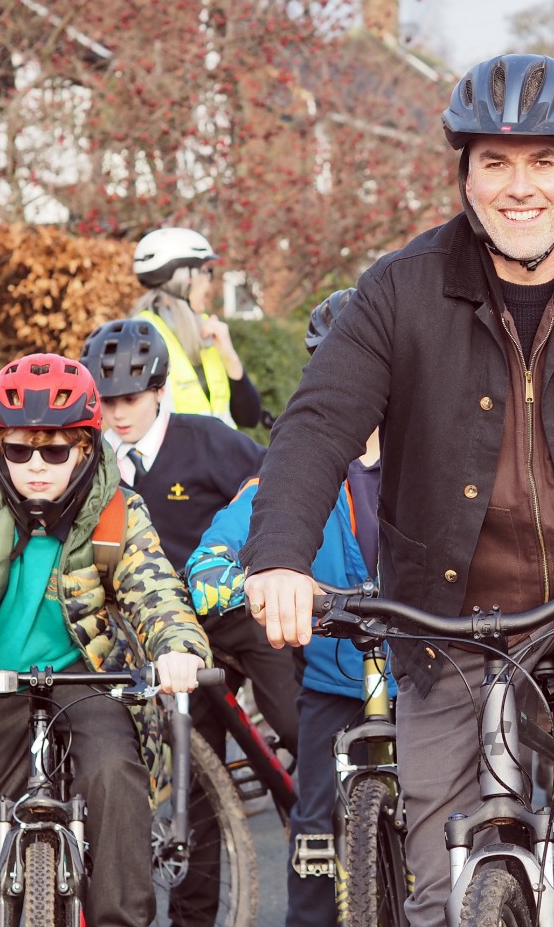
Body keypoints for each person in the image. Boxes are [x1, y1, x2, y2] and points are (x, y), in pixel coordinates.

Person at [237, 53, 554, 927]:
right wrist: (281, 557)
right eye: (497, 163)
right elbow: (318, 424)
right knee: (437, 895)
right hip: (451, 614)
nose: (521, 187)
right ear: (466, 175)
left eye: (543, 161)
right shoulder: (398, 291)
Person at [0, 353, 210, 927]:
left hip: (88, 678)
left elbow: (156, 591)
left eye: (55, 450)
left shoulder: (115, 509)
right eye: (19, 450)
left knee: (114, 778)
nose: (37, 466)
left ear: (86, 448)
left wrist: (177, 649)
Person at [185, 287, 393, 927]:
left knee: (458, 826)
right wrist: (243, 581)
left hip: (434, 676)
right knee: (315, 840)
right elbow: (211, 558)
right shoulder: (294, 465)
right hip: (334, 681)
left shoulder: (437, 458)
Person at [78, 319, 293, 924]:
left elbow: (277, 489)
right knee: (193, 779)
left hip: (238, 616)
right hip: (171, 640)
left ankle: (329, 821)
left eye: (130, 400)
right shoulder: (94, 462)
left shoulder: (210, 441)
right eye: (108, 401)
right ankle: (193, 920)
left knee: (295, 724)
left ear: (158, 391)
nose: (119, 414)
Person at [131, 226, 264, 428]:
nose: (209, 283)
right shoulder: (140, 335)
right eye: (207, 272)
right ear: (186, 278)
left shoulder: (208, 329)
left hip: (221, 454)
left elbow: (248, 417)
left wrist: (229, 355)